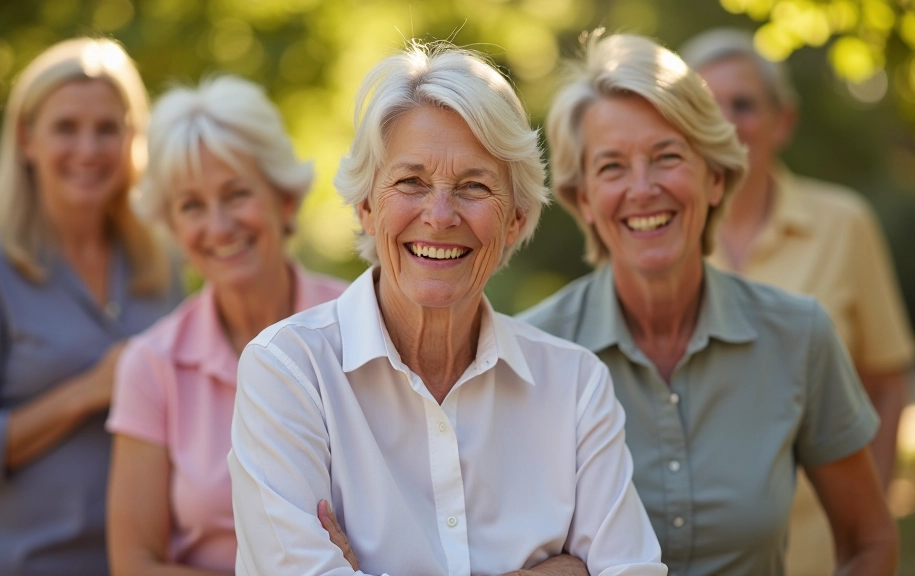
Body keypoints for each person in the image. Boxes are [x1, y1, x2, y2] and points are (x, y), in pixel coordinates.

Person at [227, 42, 666, 576]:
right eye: (411, 182)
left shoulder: (575, 384)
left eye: (474, 187)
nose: (439, 216)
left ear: (516, 221)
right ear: (367, 207)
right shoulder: (289, 371)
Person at [520, 32, 897, 575]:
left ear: (715, 177)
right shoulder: (533, 355)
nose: (643, 188)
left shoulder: (798, 336)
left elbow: (870, 541)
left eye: (666, 156)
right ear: (584, 200)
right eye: (611, 167)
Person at [0, 38, 180, 575]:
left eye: (107, 128)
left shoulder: (162, 262)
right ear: (26, 139)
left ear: (132, 138)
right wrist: (88, 391)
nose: (88, 149)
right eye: (66, 127)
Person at [678, 28, 915, 575]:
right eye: (705, 106)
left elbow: (886, 382)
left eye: (743, 104)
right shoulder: (651, 236)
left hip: (819, 549)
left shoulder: (845, 223)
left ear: (782, 120)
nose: (725, 122)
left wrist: (866, 528)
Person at [105, 75, 348, 576]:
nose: (217, 227)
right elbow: (133, 565)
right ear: (172, 227)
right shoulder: (151, 365)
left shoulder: (367, 326)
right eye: (191, 205)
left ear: (284, 200)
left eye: (237, 194)